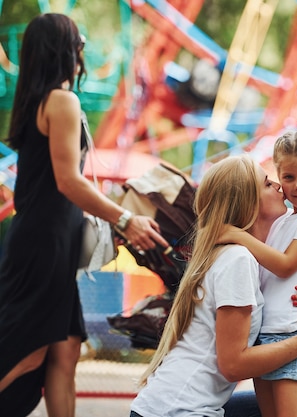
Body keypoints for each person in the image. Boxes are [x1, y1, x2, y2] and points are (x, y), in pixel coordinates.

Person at [0, 13, 169, 417]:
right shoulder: (62, 101)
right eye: (79, 43)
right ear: (65, 50)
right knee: (29, 350)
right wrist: (124, 218)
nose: (83, 51)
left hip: (47, 241)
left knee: (65, 353)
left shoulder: (36, 103)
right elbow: (68, 181)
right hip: (46, 244)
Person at [130, 155, 297, 417]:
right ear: (248, 201)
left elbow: (274, 310)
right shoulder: (238, 259)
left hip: (164, 409)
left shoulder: (247, 257)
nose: (280, 186)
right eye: (268, 184)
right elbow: (233, 366)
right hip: (178, 412)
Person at [220, 128, 297, 417]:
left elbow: (285, 266)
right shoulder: (284, 219)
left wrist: (235, 235)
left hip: (290, 333)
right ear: (278, 176)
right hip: (263, 336)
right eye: (289, 177)